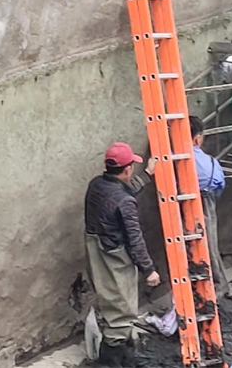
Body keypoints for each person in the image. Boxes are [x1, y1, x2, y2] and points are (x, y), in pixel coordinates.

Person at [85, 142, 160, 367]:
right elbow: (135, 239)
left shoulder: (96, 185)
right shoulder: (125, 202)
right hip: (114, 256)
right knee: (122, 309)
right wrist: (149, 270)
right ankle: (110, 361)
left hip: (95, 247)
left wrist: (147, 174)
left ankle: (125, 355)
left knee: (112, 302)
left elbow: (119, 192)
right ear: (127, 170)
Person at [189, 116, 230, 296]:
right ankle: (218, 287)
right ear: (198, 138)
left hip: (182, 202)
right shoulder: (209, 163)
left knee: (192, 247)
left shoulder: (171, 157)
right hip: (206, 200)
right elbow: (220, 183)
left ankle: (204, 286)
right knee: (208, 244)